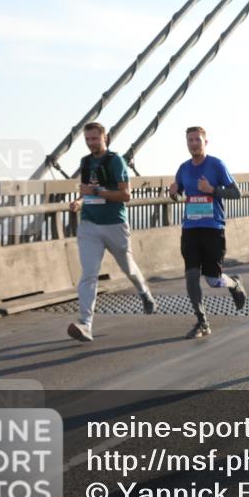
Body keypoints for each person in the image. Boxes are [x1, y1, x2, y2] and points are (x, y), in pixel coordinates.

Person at [67, 122, 157, 342]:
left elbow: (126, 195)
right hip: (89, 225)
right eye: (87, 139)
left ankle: (144, 292)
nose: (90, 143)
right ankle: (85, 324)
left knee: (129, 268)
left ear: (104, 138)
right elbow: (87, 191)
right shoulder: (85, 162)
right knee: (89, 275)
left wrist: (96, 191)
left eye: (94, 139)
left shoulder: (116, 161)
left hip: (114, 225)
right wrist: (79, 201)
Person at [168, 126, 247, 339]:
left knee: (213, 280)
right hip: (190, 229)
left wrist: (212, 190)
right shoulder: (183, 168)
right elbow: (178, 194)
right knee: (191, 277)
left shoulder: (216, 165)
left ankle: (234, 283)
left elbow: (236, 193)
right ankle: (202, 322)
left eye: (197, 140)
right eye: (190, 140)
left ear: (205, 142)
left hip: (213, 229)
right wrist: (173, 193)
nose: (194, 144)